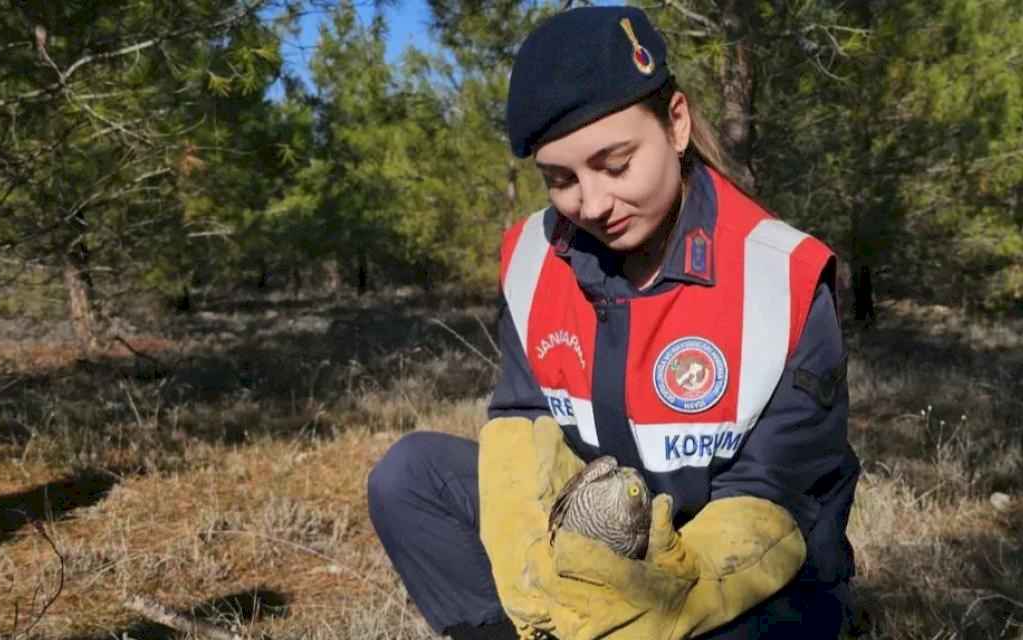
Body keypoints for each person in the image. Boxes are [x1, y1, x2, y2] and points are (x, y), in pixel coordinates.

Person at [367, 6, 860, 640]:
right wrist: (537, 588)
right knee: (410, 477)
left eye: (616, 164)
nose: (593, 204)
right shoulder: (534, 259)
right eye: (561, 180)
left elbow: (773, 497)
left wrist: (662, 601)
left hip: (745, 578)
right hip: (599, 536)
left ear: (676, 123)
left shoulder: (781, 274)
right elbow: (523, 427)